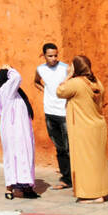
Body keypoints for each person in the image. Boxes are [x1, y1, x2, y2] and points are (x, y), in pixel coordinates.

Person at [57, 55, 108, 202]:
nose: (69, 67)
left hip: (83, 128)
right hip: (98, 126)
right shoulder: (96, 82)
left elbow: (60, 91)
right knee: (97, 161)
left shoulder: (75, 83)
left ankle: (90, 195)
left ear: (76, 67)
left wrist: (68, 75)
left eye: (71, 65)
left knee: (84, 162)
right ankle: (101, 191)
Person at [33, 42, 72, 190]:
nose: (54, 58)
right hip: (50, 112)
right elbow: (36, 82)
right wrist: (45, 92)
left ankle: (75, 177)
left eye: (56, 55)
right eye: (50, 56)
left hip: (64, 112)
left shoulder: (65, 68)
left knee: (70, 147)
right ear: (44, 56)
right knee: (60, 147)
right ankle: (66, 178)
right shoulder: (40, 69)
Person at [0, 67, 39, 199]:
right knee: (15, 158)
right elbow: (17, 77)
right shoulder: (5, 90)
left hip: (18, 131)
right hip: (14, 132)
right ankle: (13, 189)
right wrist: (9, 68)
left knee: (20, 158)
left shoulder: (13, 92)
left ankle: (21, 188)